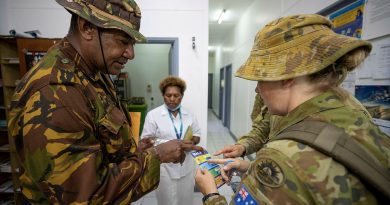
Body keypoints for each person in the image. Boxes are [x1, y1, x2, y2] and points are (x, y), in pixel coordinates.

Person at [8, 0, 202, 204]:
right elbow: (87, 196)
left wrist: (133, 151)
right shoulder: (56, 92)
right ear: (87, 28)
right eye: (123, 41)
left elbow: (98, 142)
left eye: (132, 44)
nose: (131, 54)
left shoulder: (91, 74)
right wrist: (156, 156)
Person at [196, 14, 390, 204]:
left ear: (287, 77)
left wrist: (210, 193)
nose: (257, 88)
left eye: (261, 79)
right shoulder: (358, 119)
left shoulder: (280, 157)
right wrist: (251, 165)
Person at [140, 76, 201, 205]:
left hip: (186, 167)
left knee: (186, 200)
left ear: (182, 96)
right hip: (164, 168)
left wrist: (192, 142)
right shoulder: (153, 115)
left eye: (176, 95)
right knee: (166, 201)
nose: (172, 99)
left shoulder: (190, 114)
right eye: (168, 95)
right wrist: (170, 144)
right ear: (163, 95)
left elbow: (197, 134)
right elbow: (145, 140)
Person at [214, 93, 270, 158]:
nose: (256, 89)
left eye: (263, 83)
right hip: (265, 159)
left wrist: (246, 165)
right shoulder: (263, 96)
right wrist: (241, 147)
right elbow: (261, 131)